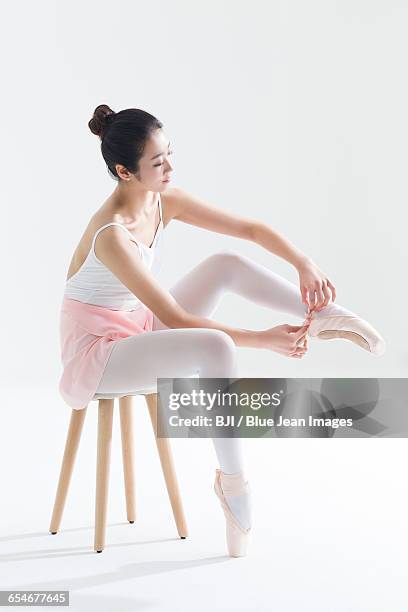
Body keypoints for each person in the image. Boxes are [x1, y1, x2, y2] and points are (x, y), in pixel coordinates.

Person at [59, 104, 385, 558]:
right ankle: (233, 487)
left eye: (170, 154)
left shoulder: (161, 200)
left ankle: (328, 313)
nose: (170, 167)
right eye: (157, 163)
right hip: (97, 356)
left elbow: (248, 229)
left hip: (135, 327)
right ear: (124, 172)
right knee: (214, 344)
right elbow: (175, 318)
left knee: (224, 264)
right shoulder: (112, 234)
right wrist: (263, 339)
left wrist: (304, 263)